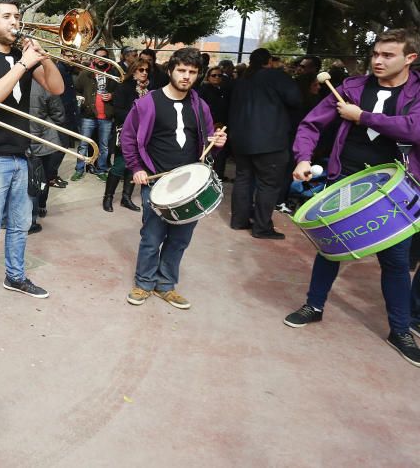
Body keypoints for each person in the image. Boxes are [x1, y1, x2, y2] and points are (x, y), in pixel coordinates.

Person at [284, 29, 420, 367]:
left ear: (410, 58)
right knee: (330, 248)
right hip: (348, 179)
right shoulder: (352, 88)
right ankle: (313, 306)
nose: (378, 60)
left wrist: (363, 117)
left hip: (395, 187)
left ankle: (400, 330)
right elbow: (311, 125)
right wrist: (303, 157)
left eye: (388, 55)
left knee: (396, 261)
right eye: (376, 53)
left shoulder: (418, 92)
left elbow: (414, 129)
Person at [0, 0, 64, 313]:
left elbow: (57, 88)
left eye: (17, 16)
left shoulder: (25, 57)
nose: (15, 22)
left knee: (20, 225)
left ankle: (15, 277)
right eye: (6, 16)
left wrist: (44, 59)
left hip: (22, 155)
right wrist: (23, 64)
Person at [121, 47, 227, 310]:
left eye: (192, 72)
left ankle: (165, 285)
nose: (186, 76)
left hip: (190, 185)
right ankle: (144, 283)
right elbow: (128, 137)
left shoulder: (200, 105)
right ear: (170, 70)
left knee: (180, 239)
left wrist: (218, 141)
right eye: (181, 70)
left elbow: (207, 138)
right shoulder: (147, 103)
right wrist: (136, 167)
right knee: (152, 237)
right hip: (156, 182)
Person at [228, 48, 301, 239]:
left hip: (241, 139)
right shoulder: (276, 77)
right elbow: (295, 100)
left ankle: (239, 220)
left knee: (243, 179)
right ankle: (261, 227)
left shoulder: (242, 80)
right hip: (270, 141)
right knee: (268, 185)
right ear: (268, 61)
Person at [102, 59, 150, 212]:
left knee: (134, 165)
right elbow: (117, 111)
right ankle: (108, 197)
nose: (144, 73)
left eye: (146, 70)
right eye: (141, 69)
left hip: (144, 134)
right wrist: (137, 116)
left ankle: (126, 198)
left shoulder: (150, 90)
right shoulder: (124, 87)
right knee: (120, 165)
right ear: (133, 71)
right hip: (126, 132)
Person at [70, 47, 117, 181]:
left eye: (103, 57)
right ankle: (79, 169)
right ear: (93, 58)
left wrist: (112, 95)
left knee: (104, 146)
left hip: (106, 116)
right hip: (88, 116)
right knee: (83, 145)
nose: (100, 60)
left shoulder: (113, 73)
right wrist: (80, 99)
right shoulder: (85, 73)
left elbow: (120, 92)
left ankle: (101, 169)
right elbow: (77, 90)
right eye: (98, 57)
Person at [28, 79, 67, 233]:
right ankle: (40, 208)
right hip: (44, 139)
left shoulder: (10, 78)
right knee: (41, 178)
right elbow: (59, 114)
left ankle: (26, 216)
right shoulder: (44, 82)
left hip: (19, 139)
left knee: (25, 181)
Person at [197, 65, 230, 181]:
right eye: (213, 75)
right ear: (208, 77)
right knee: (207, 152)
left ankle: (218, 176)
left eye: (219, 75)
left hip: (222, 127)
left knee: (220, 153)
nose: (216, 77)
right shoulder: (203, 90)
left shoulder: (224, 90)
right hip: (209, 126)